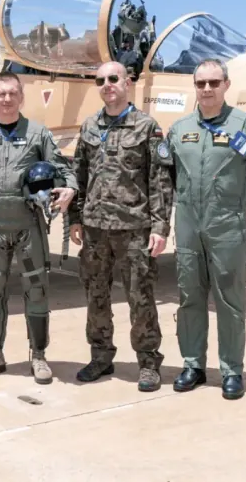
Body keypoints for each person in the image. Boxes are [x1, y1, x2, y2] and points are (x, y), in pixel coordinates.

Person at [166, 58, 246, 400]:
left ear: (226, 85)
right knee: (190, 298)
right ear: (195, 88)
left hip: (227, 228)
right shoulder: (179, 130)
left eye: (214, 83)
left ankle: (231, 370)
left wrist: (243, 207)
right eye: (201, 84)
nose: (208, 89)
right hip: (187, 226)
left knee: (230, 301)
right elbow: (170, 174)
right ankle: (192, 365)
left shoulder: (244, 126)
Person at [0, 71, 78, 384]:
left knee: (36, 292)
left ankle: (38, 356)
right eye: (2, 94)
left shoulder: (39, 133)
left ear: (21, 97)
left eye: (13, 93)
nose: (7, 99)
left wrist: (71, 189)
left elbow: (62, 170)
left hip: (29, 225)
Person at [67, 60, 172, 392]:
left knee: (140, 297)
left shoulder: (146, 127)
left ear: (127, 82)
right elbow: (78, 177)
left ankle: (148, 363)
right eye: (100, 80)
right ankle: (101, 356)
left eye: (113, 78)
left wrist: (160, 228)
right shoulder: (88, 127)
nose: (107, 84)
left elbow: (160, 182)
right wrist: (74, 219)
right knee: (96, 297)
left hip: (134, 229)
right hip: (95, 230)